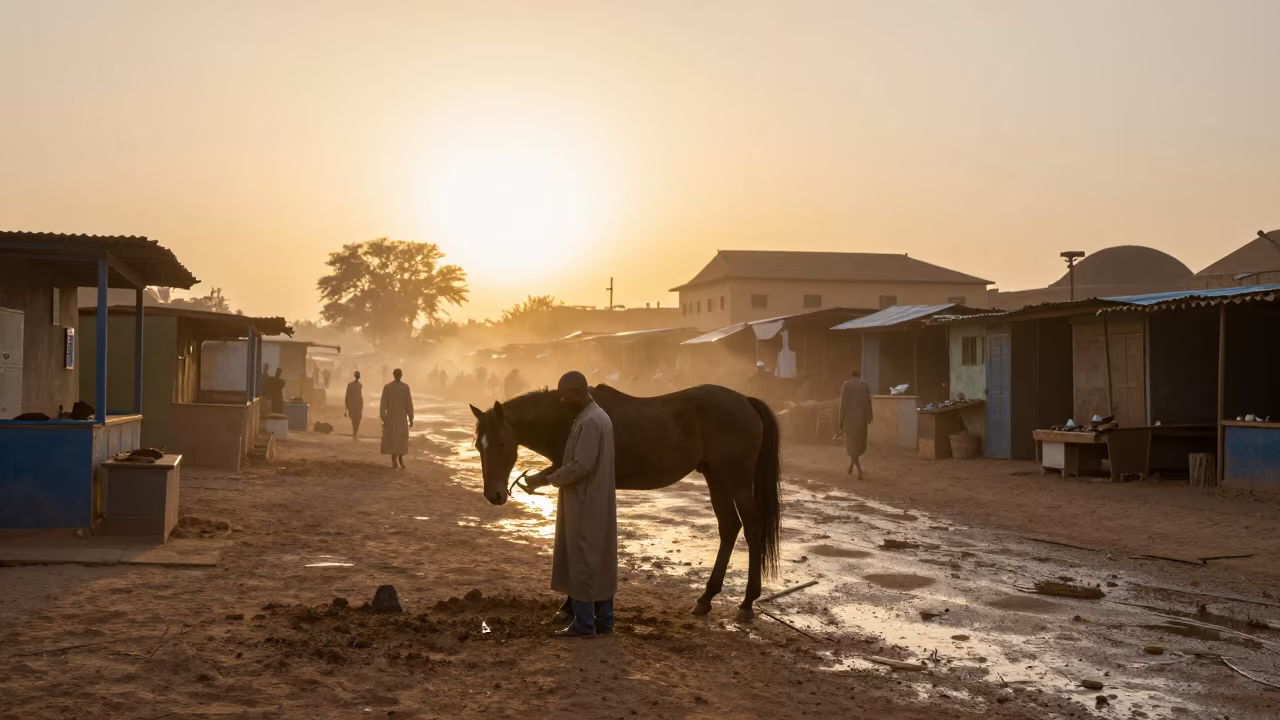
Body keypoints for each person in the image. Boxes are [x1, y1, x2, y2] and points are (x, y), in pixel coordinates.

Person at [527, 371, 617, 638]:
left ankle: (584, 624)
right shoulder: (596, 416)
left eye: (565, 397)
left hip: (585, 500)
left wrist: (549, 479)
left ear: (577, 393)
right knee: (598, 559)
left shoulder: (590, 420)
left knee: (582, 559)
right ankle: (605, 620)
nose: (562, 402)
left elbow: (582, 465)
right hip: (595, 498)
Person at [839, 369, 873, 478]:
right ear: (859, 375)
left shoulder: (846, 385)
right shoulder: (864, 385)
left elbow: (843, 403)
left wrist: (841, 419)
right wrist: (869, 416)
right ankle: (852, 467)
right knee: (858, 443)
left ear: (851, 375)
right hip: (861, 419)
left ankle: (858, 470)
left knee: (851, 444)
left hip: (850, 419)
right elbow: (869, 401)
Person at [380, 368, 414, 469]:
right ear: (401, 375)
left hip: (391, 417)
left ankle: (394, 460)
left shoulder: (388, 387)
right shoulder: (405, 387)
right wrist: (411, 418)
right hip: (402, 417)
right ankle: (400, 459)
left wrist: (383, 416)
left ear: (393, 375)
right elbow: (409, 404)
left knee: (393, 438)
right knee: (401, 438)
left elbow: (383, 404)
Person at [344, 371, 364, 440]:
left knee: (354, 418)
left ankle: (355, 430)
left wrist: (346, 405)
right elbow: (360, 396)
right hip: (357, 404)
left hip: (352, 404)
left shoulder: (351, 385)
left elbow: (347, 396)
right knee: (357, 418)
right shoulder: (359, 385)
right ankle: (355, 430)